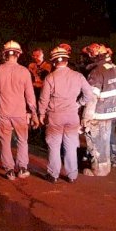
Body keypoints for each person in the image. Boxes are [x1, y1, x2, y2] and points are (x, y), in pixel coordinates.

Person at [37, 46, 95, 183]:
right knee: (70, 145)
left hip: (55, 116)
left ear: (53, 62)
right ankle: (72, 175)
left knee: (54, 145)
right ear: (67, 61)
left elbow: (43, 99)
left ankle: (53, 174)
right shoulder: (78, 76)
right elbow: (89, 94)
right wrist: (78, 104)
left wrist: (40, 114)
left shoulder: (50, 78)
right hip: (72, 116)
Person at [0, 40, 38, 180]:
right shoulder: (24, 72)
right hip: (20, 114)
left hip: (4, 113)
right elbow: (30, 96)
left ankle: (9, 170)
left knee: (5, 142)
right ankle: (22, 168)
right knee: (22, 140)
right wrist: (34, 114)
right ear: (18, 54)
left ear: (5, 55)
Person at [81, 43, 116, 176]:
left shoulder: (96, 72)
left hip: (97, 114)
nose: (85, 59)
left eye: (87, 56)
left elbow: (92, 98)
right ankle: (106, 167)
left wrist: (85, 118)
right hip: (110, 112)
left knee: (95, 142)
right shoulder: (112, 68)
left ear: (94, 56)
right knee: (104, 142)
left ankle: (98, 170)